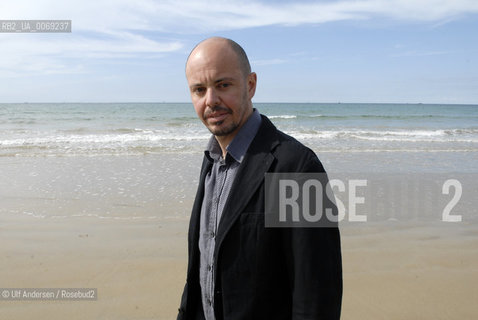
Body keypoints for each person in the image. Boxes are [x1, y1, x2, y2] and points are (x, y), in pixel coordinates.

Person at [177, 37, 342, 320]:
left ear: (250, 85)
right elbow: (202, 271)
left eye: (223, 85)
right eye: (199, 90)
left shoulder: (298, 168)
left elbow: (317, 296)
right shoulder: (211, 162)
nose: (211, 100)